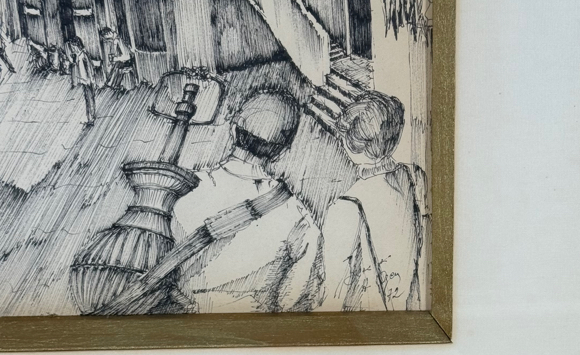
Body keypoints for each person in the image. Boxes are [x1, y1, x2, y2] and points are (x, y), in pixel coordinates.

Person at [172, 90, 322, 313]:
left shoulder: (182, 190)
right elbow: (297, 300)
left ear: (233, 130)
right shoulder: (297, 216)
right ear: (281, 150)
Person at [319, 92, 426, 311]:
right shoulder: (416, 176)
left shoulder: (347, 202)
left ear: (353, 145)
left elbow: (336, 284)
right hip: (410, 303)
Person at [64, 36, 100, 124]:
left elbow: (89, 68)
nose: (73, 49)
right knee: (88, 98)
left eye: (73, 47)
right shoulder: (79, 55)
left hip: (87, 80)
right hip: (84, 80)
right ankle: (91, 116)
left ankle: (90, 118)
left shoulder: (83, 55)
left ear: (77, 46)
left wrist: (91, 79)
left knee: (89, 98)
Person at [99, 25, 137, 91]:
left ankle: (111, 85)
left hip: (128, 61)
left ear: (108, 33)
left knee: (117, 66)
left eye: (106, 38)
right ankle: (111, 84)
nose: (107, 40)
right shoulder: (115, 40)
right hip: (123, 61)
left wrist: (116, 59)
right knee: (115, 66)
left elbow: (127, 56)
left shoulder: (118, 40)